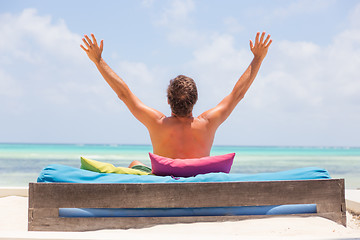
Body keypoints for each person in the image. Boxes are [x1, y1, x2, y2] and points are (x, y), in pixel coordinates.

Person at [81, 32, 272, 173]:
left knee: (133, 164)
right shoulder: (208, 123)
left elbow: (124, 94)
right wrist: (257, 58)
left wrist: (98, 61)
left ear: (168, 100)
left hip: (163, 184)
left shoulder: (157, 122)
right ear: (195, 100)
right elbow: (238, 94)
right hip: (196, 185)